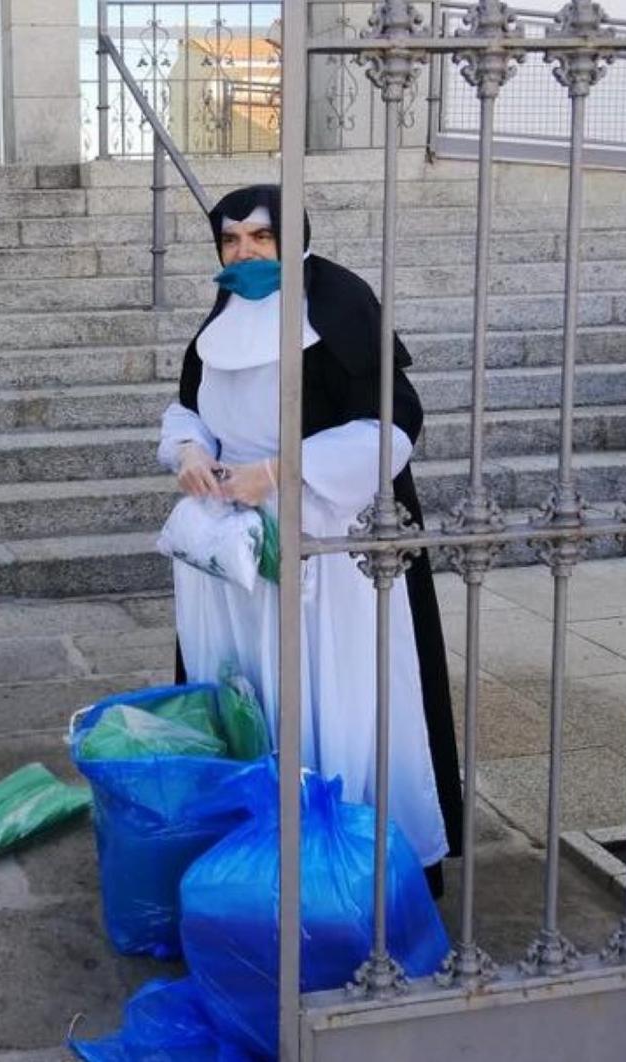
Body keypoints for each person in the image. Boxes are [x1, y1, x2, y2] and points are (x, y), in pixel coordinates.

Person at [158, 184, 462, 895]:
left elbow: (392, 426)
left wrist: (280, 472)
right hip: (236, 547)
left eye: (261, 238)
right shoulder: (225, 312)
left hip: (330, 540)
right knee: (248, 682)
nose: (245, 253)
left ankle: (347, 859)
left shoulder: (340, 303)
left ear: (293, 238)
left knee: (337, 689)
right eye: (231, 241)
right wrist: (190, 449)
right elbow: (191, 404)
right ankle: (254, 846)